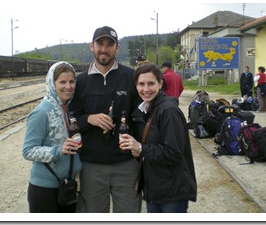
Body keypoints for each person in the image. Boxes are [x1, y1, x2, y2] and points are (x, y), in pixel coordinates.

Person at [69, 26, 142, 213]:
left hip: (126, 165)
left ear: (117, 48)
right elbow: (71, 119)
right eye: (100, 43)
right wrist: (89, 119)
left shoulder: (131, 77)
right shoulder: (79, 82)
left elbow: (142, 116)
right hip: (91, 166)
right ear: (91, 46)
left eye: (110, 44)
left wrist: (141, 150)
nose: (104, 49)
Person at [119, 63, 197, 213]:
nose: (146, 89)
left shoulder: (168, 110)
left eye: (151, 84)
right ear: (136, 85)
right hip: (155, 188)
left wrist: (141, 148)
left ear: (160, 84)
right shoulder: (147, 109)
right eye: (141, 84)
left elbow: (173, 153)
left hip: (172, 191)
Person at [22, 61, 82, 213]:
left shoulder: (68, 109)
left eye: (71, 81)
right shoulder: (42, 112)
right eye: (62, 82)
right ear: (52, 83)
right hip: (45, 190)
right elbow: (28, 151)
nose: (68, 87)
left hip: (66, 185)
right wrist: (58, 150)